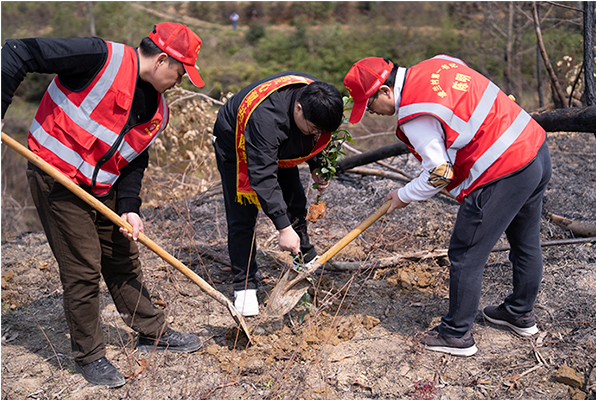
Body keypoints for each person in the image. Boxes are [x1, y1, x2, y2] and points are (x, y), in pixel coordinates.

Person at [1, 22, 205, 387]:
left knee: (122, 256)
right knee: (82, 268)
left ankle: (152, 332)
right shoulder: (99, 57)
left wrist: (130, 207)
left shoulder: (158, 109)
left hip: (102, 187)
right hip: (57, 178)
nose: (180, 81)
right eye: (180, 72)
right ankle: (90, 356)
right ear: (162, 59)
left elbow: (134, 160)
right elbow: (17, 52)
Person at [344, 56, 552, 356]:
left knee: (466, 254)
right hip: (534, 149)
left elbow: (440, 173)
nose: (372, 114)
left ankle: (456, 335)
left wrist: (403, 195)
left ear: (386, 91)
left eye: (369, 105)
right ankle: (519, 313)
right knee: (526, 241)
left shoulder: (415, 115)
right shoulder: (438, 63)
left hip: (503, 169)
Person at [212, 72, 343, 316]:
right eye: (313, 129)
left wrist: (316, 164)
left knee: (295, 199)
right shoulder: (267, 120)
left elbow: (316, 135)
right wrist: (283, 229)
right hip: (235, 142)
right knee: (243, 214)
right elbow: (262, 178)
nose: (316, 134)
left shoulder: (318, 98)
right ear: (299, 108)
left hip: (278, 142)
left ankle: (303, 255)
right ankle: (244, 285)